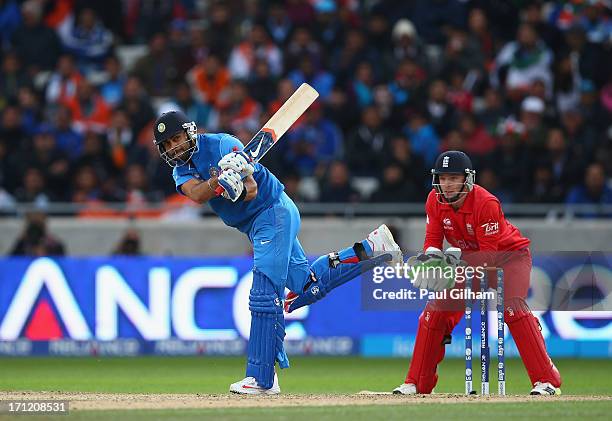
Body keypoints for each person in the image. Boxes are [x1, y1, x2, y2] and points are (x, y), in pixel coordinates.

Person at [153, 110, 402, 395]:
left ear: (190, 132)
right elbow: (197, 194)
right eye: (167, 144)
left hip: (271, 213)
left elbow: (251, 189)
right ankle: (372, 249)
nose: (174, 147)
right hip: (260, 224)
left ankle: (261, 378)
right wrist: (220, 182)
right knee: (305, 285)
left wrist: (238, 180)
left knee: (263, 294)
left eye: (176, 138)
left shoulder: (222, 144)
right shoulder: (180, 170)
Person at [392, 150, 562, 396]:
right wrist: (431, 264)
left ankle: (547, 381)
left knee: (512, 307)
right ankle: (417, 383)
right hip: (467, 260)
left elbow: (488, 258)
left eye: (453, 178)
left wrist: (451, 266)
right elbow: (432, 241)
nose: (447, 184)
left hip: (508, 258)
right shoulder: (434, 200)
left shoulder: (486, 203)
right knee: (434, 312)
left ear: (466, 179)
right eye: (442, 178)